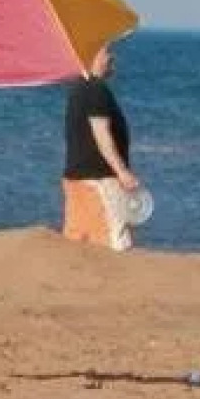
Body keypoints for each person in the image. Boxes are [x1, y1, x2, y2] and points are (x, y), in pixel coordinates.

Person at [61, 42, 143, 251]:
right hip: (98, 180)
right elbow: (102, 134)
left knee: (77, 242)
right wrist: (122, 172)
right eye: (106, 52)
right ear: (92, 58)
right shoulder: (96, 89)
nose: (112, 57)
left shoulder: (79, 88)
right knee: (114, 242)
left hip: (77, 179)